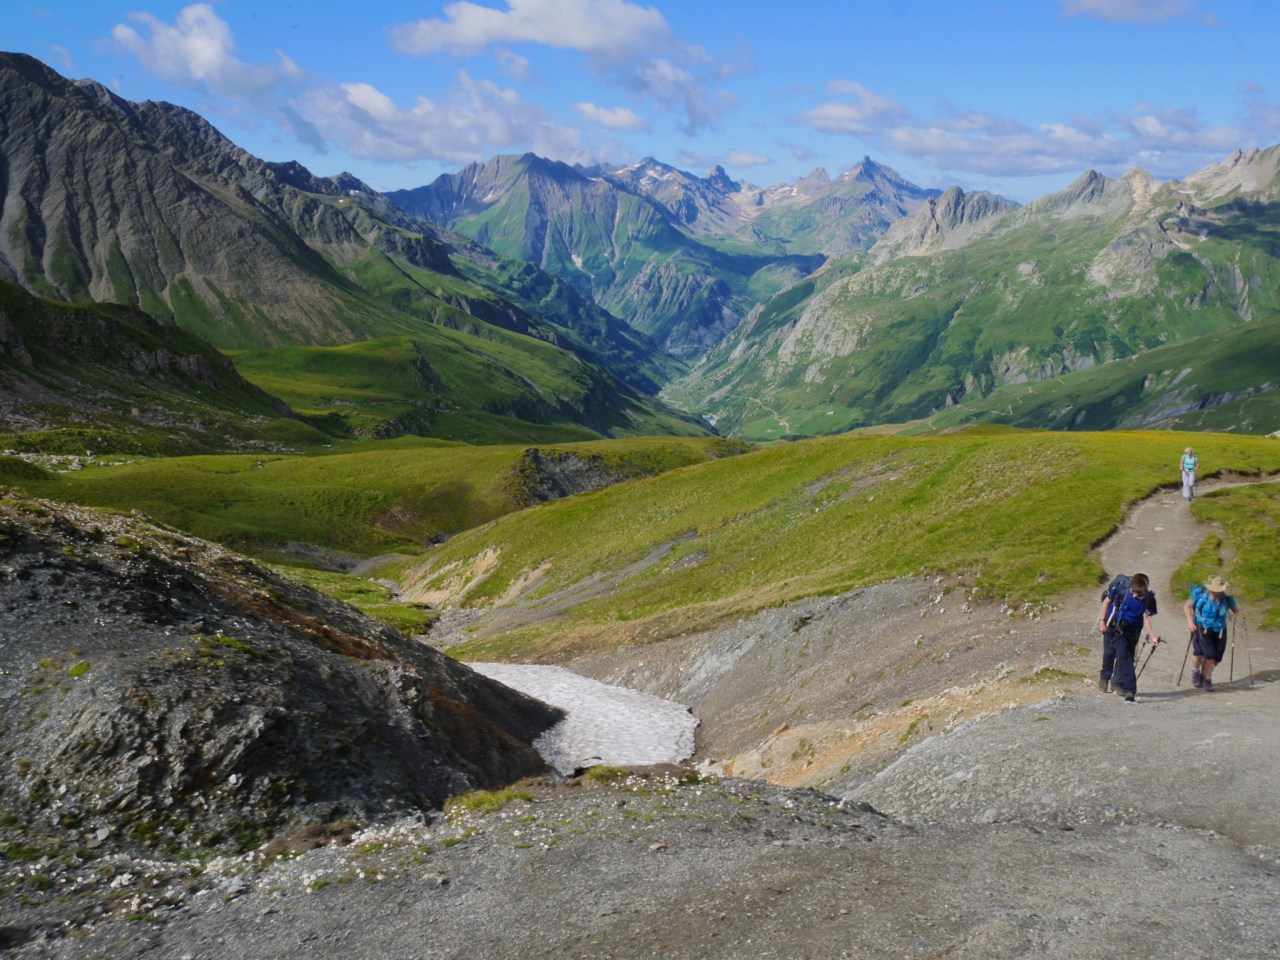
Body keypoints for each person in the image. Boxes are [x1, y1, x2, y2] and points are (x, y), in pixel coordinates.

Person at [1098, 572, 1161, 702]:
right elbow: (1106, 602)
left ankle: (1117, 683)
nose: (1138, 597)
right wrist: (1102, 622)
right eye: (1136, 594)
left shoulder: (1149, 598)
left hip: (1134, 630)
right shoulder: (1121, 591)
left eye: (1140, 595)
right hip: (1114, 624)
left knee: (1126, 657)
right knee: (1112, 653)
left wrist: (1152, 636)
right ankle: (1111, 680)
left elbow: (1147, 616)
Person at [1183, 575, 1239, 692]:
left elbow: (1237, 611)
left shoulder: (1227, 598)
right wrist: (1190, 623)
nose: (1216, 593)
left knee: (1217, 657)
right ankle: (1203, 676)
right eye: (1214, 591)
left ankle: (1204, 675)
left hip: (1220, 630)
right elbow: (1187, 607)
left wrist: (1233, 605)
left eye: (1219, 591)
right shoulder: (1199, 593)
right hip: (1202, 627)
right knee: (1207, 655)